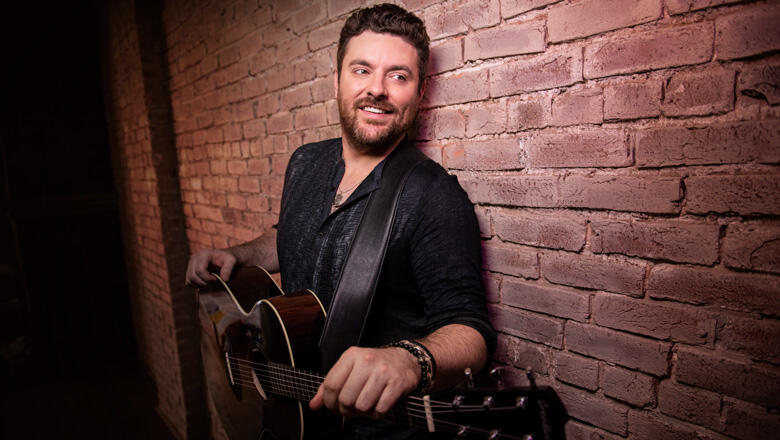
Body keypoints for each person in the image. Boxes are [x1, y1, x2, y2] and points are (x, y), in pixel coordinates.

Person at [186, 4, 496, 438]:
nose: (377, 89)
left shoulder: (433, 196)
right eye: (362, 70)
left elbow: (472, 332)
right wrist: (239, 254)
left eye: (398, 76)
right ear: (337, 80)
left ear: (421, 93)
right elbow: (294, 236)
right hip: (293, 417)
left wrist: (409, 360)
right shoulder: (305, 163)